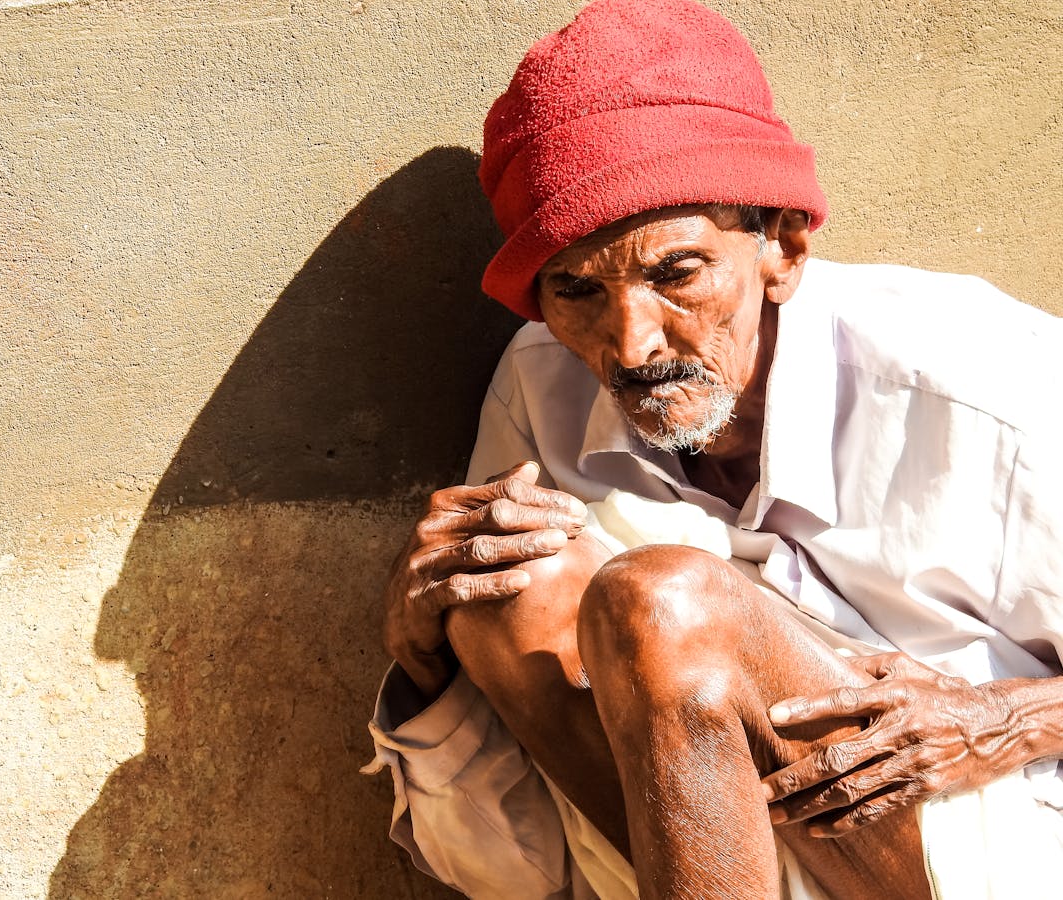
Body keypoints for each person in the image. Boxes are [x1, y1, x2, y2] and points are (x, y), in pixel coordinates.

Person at [365, 1, 1063, 897]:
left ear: (784, 247)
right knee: (508, 580)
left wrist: (1005, 718)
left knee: (664, 605)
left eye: (675, 273)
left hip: (993, 835)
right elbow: (512, 861)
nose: (632, 346)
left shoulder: (987, 381)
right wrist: (428, 650)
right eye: (576, 288)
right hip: (696, 857)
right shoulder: (541, 382)